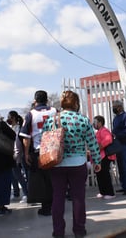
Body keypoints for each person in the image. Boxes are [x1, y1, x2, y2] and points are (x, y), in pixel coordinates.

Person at [43, 90, 101, 238]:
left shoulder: (51, 119)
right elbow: (92, 142)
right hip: (78, 163)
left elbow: (44, 141)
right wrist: (96, 160)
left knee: (57, 198)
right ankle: (79, 230)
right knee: (78, 198)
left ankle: (58, 231)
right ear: (76, 103)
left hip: (56, 163)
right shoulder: (82, 120)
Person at [19, 90, 57, 216]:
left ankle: (46, 207)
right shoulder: (55, 111)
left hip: (39, 151)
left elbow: (26, 137)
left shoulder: (31, 114)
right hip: (54, 149)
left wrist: (26, 153)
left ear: (35, 100)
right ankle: (56, 204)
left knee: (42, 181)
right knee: (55, 179)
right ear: (47, 100)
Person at [112, 100, 126, 195]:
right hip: (117, 144)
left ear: (120, 107)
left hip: (124, 143)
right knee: (120, 166)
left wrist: (117, 134)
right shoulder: (116, 118)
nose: (114, 108)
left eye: (115, 106)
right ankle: (124, 185)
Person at [93, 115, 116, 200]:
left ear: (100, 123)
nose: (94, 124)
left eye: (95, 122)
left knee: (104, 174)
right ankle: (103, 191)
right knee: (99, 174)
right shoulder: (99, 131)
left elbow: (108, 139)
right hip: (99, 156)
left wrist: (100, 146)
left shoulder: (104, 130)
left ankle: (110, 192)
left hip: (105, 156)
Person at [7, 110, 28, 204]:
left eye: (9, 117)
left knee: (18, 175)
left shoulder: (18, 128)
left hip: (17, 154)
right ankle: (16, 192)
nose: (8, 119)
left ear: (14, 118)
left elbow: (17, 143)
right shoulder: (10, 127)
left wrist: (16, 155)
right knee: (12, 175)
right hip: (10, 154)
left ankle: (26, 193)